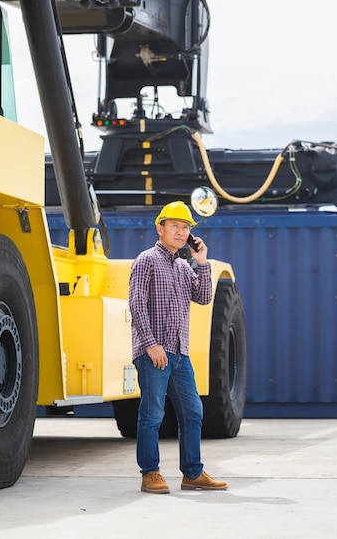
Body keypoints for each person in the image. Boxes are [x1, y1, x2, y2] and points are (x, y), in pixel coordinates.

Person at [128, 200, 228, 494]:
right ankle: (150, 473)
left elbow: (204, 297)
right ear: (160, 228)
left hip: (180, 353)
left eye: (185, 228)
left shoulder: (185, 267)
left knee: (193, 412)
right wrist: (150, 345)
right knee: (153, 414)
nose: (181, 232)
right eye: (175, 226)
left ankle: (192, 473)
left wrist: (203, 262)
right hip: (154, 353)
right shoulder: (146, 260)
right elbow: (136, 305)